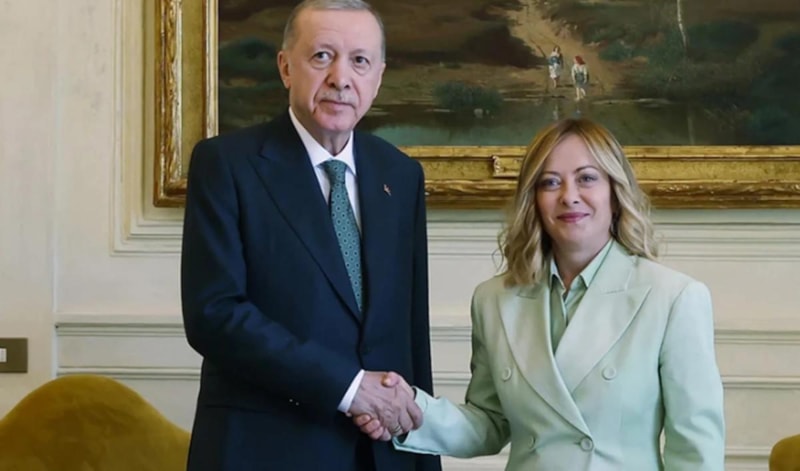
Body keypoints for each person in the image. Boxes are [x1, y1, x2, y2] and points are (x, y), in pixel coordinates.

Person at [355, 118, 726, 470]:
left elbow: (696, 451)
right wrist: (408, 411)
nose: (569, 196)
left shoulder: (673, 297)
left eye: (587, 178)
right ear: (532, 199)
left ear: (615, 192)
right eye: (550, 182)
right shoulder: (494, 299)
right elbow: (490, 423)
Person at [180, 1, 441, 470]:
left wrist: (420, 449)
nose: (341, 78)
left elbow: (410, 335)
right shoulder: (227, 165)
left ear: (378, 77)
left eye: (359, 61)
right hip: (264, 451)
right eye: (322, 56)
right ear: (286, 67)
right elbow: (214, 315)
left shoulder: (401, 175)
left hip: (381, 454)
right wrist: (349, 388)